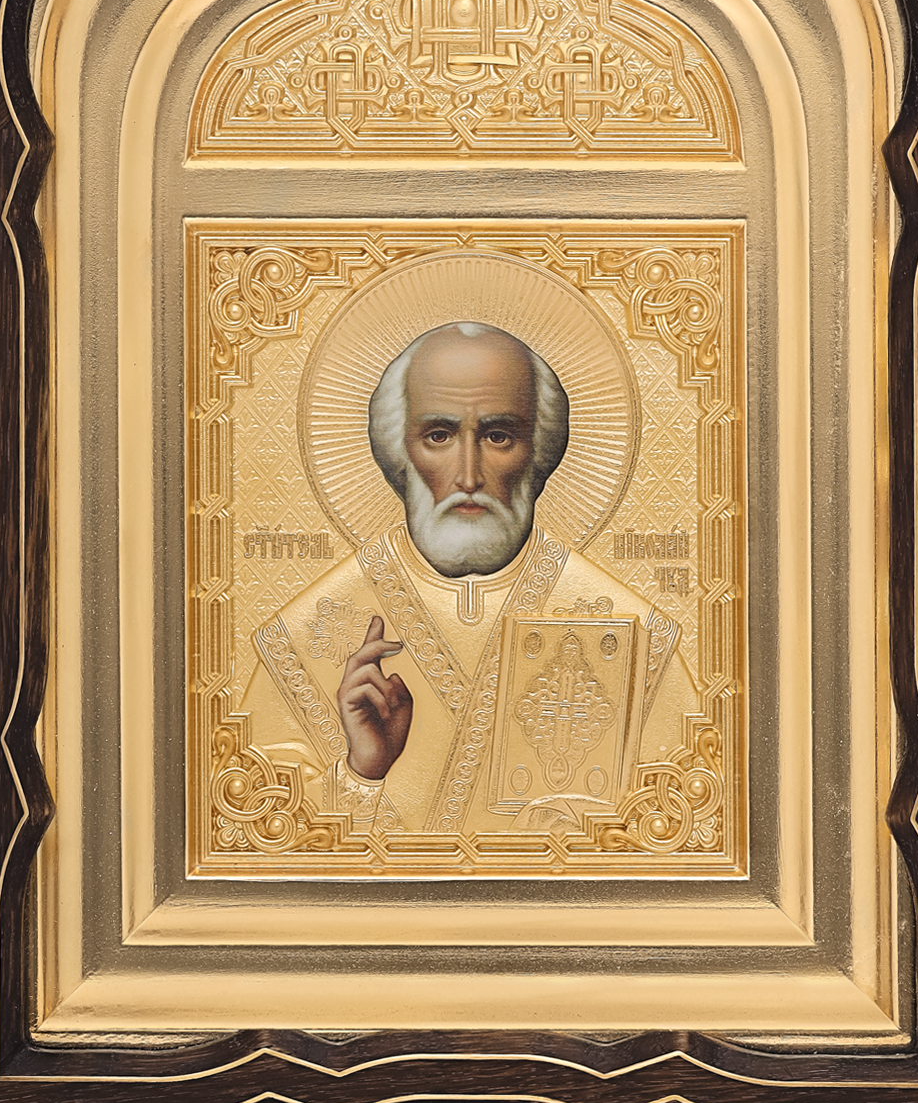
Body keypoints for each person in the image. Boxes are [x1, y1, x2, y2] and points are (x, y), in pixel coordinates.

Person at [236, 321, 700, 835]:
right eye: (439, 436)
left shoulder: (638, 635)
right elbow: (255, 841)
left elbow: (682, 828)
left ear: (540, 451)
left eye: (499, 436)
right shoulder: (297, 641)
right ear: (399, 451)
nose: (469, 476)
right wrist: (361, 774)